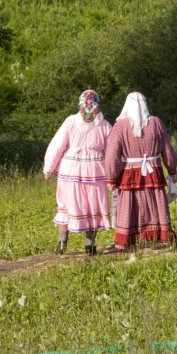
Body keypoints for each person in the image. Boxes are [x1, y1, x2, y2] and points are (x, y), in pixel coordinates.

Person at [104, 92, 177, 250]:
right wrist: (172, 169)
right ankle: (160, 237)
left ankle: (126, 241)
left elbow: (112, 153)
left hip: (130, 172)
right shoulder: (156, 123)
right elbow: (168, 149)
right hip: (153, 170)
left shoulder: (120, 126)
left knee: (129, 203)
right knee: (154, 201)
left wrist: (110, 177)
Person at [44, 90, 112, 256]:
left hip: (71, 170)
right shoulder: (104, 125)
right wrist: (113, 173)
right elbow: (112, 151)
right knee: (92, 207)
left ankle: (62, 243)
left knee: (66, 206)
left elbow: (57, 145)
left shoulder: (71, 122)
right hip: (94, 171)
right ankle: (89, 246)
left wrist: (48, 168)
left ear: (79, 104)